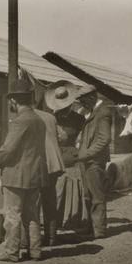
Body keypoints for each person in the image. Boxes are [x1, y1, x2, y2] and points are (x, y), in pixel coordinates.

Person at [0, 79, 48, 262]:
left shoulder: (19, 121)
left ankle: (11, 252)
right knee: (31, 215)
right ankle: (36, 251)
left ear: (14, 101)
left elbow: (8, 149)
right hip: (35, 175)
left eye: (11, 102)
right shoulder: (38, 119)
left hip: (17, 175)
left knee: (12, 215)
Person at [74, 85, 115, 240]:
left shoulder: (103, 112)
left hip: (94, 161)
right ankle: (90, 227)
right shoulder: (92, 111)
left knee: (96, 196)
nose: (82, 104)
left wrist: (88, 153)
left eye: (84, 101)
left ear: (92, 97)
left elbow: (105, 139)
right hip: (87, 160)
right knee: (87, 195)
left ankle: (100, 230)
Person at [46, 81, 88, 231]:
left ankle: (69, 218)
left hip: (70, 157)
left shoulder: (79, 120)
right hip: (53, 157)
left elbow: (82, 140)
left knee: (70, 187)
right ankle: (52, 220)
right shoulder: (50, 118)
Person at [31, 100, 66, 246]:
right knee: (50, 201)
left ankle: (32, 241)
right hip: (53, 164)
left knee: (32, 203)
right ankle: (51, 238)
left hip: (37, 165)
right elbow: (63, 137)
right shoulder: (50, 116)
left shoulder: (26, 117)